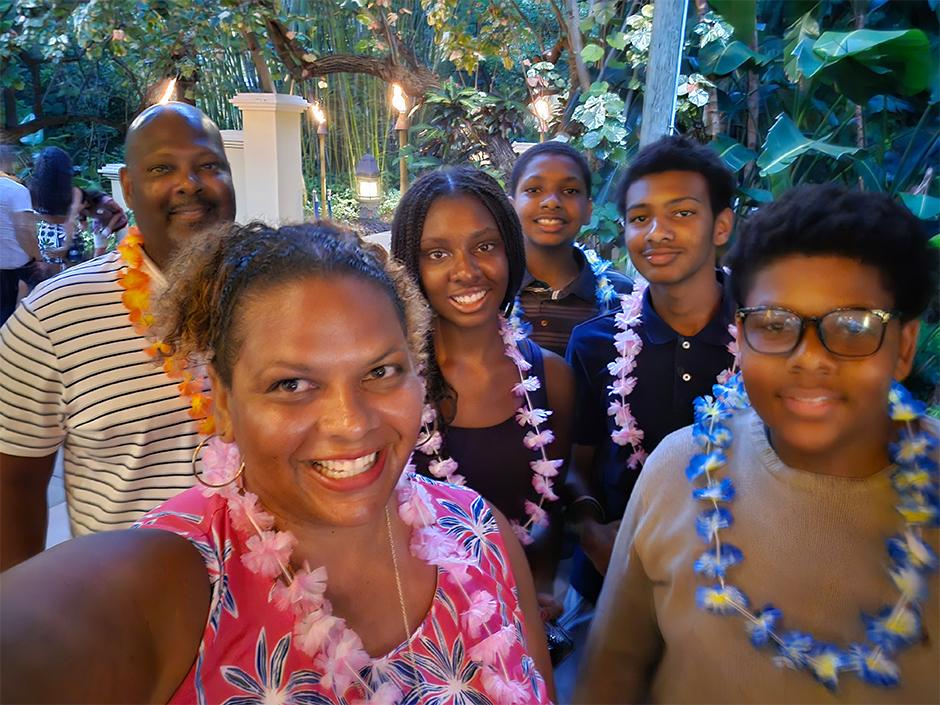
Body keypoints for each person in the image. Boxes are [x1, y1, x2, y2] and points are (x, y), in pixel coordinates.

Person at [0, 221, 554, 705]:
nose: (352, 423)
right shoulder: (166, 584)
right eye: (291, 384)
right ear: (221, 401)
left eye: (381, 371)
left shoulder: (481, 534)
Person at [576, 184, 939, 703]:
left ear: (903, 347)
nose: (809, 357)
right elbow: (611, 672)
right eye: (774, 323)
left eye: (854, 325)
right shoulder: (679, 470)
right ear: (739, 335)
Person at [0, 102, 236, 569]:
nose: (190, 183)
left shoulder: (279, 294)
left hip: (282, 607)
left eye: (209, 166)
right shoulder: (53, 318)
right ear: (128, 187)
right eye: (163, 167)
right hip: (129, 612)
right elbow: (14, 486)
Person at [391, 166, 575, 622]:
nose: (466, 271)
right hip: (418, 630)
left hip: (525, 625)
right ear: (411, 267)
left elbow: (554, 502)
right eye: (437, 253)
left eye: (485, 246)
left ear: (511, 250)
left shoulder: (553, 379)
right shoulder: (390, 386)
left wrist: (543, 589)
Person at [565, 135, 738, 603]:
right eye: (640, 218)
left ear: (721, 226)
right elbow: (575, 467)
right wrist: (589, 530)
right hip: (613, 582)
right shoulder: (595, 343)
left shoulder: (768, 338)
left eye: (682, 213)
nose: (656, 232)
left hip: (737, 589)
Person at [509, 141, 632, 357]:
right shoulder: (493, 290)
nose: (551, 202)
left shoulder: (622, 297)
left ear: (588, 210)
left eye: (569, 190)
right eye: (534, 190)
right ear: (511, 207)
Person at [0, 145, 48, 326]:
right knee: (16, 318)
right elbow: (24, 230)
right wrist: (39, 258)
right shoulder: (16, 190)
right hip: (14, 269)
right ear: (8, 162)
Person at [28, 146, 83, 269]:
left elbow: (29, 216)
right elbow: (70, 220)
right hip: (68, 236)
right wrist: (66, 246)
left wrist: (44, 218)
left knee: (51, 280)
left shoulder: (34, 190)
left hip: (47, 235)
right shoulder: (73, 192)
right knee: (72, 278)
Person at [78, 188, 129, 256]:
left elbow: (119, 212)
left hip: (119, 223)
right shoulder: (81, 209)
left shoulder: (106, 201)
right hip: (99, 225)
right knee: (99, 252)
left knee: (125, 247)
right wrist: (82, 225)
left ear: (85, 202)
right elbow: (82, 219)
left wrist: (109, 228)